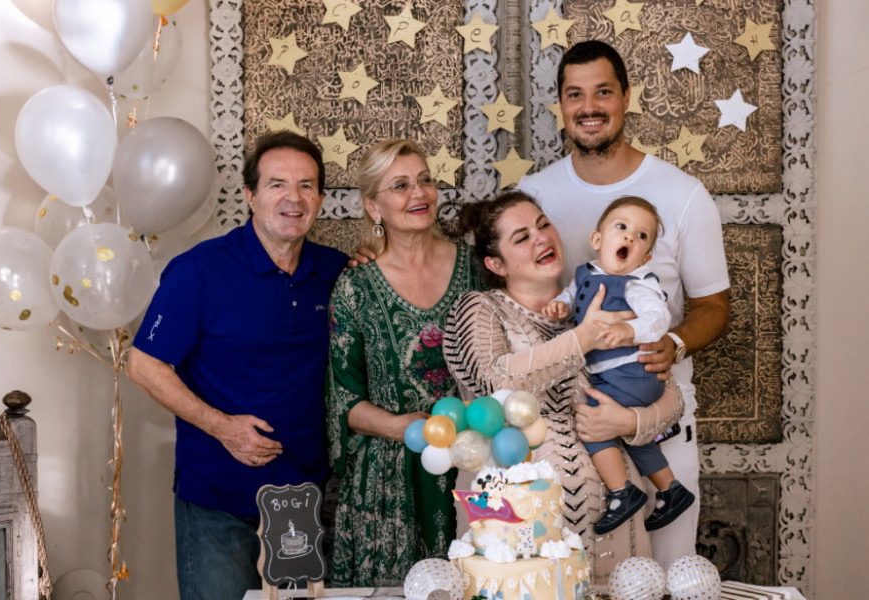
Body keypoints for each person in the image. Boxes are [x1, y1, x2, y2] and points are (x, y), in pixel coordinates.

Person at [517, 39, 730, 568]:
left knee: (669, 575)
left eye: (603, 92)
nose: (589, 107)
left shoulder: (683, 194)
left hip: (657, 416)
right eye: (575, 94)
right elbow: (504, 280)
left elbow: (714, 305)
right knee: (569, 577)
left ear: (627, 97)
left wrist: (673, 342)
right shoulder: (535, 194)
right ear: (561, 105)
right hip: (570, 426)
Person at [125, 131, 348, 600]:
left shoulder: (337, 272)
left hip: (302, 500)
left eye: (306, 186)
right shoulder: (199, 271)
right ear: (250, 195)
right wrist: (222, 427)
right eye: (277, 184)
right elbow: (143, 364)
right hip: (218, 500)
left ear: (320, 199)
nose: (293, 198)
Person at [443, 190, 685, 586]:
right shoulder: (481, 309)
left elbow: (670, 395)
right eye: (522, 237)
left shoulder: (595, 301)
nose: (541, 238)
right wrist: (583, 338)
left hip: (616, 532)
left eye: (543, 225)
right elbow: (494, 380)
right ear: (495, 263)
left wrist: (628, 421)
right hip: (519, 537)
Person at [325, 138, 483, 587]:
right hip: (389, 485)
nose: (419, 193)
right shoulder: (354, 287)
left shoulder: (477, 269)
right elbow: (343, 400)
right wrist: (402, 427)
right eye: (400, 185)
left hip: (471, 465)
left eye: (425, 180)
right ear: (372, 206)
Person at [543, 196, 695, 535]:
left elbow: (658, 320)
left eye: (642, 236)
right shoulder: (585, 273)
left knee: (594, 422)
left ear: (646, 258)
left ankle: (621, 492)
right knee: (630, 434)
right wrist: (560, 305)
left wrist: (628, 330)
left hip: (633, 372)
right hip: (614, 375)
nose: (629, 237)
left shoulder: (637, 283)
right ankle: (671, 489)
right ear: (598, 240)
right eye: (622, 227)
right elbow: (573, 297)